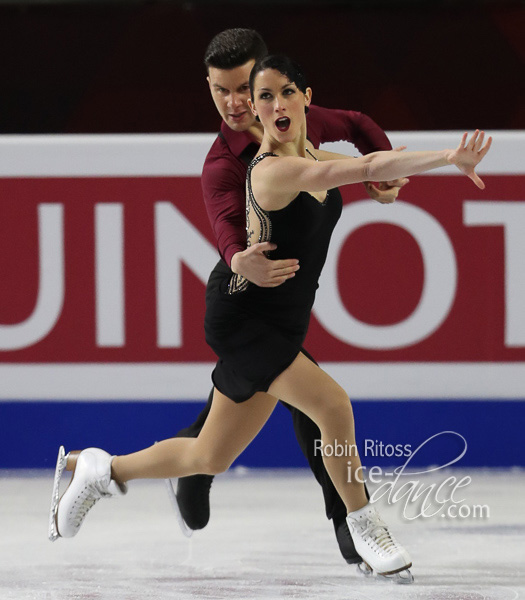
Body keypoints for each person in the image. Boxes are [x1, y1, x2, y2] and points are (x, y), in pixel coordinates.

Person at [48, 54, 491, 583]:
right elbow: (369, 166)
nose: (274, 104)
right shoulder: (276, 169)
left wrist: (394, 178)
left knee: (209, 454)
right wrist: (448, 156)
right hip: (243, 316)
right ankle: (364, 526)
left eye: (284, 93)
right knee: (332, 406)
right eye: (264, 98)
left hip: (280, 321)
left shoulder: (312, 151)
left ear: (306, 98)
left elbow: (373, 158)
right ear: (258, 112)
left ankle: (99, 469)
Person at [172, 28, 409, 569]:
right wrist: (239, 259)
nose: (234, 105)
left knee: (244, 397)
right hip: (249, 291)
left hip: (286, 296)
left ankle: (193, 462)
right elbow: (226, 224)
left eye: (243, 88)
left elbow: (355, 125)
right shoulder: (222, 163)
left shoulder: (292, 113)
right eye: (219, 91)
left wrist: (384, 170)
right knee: (317, 403)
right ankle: (352, 522)